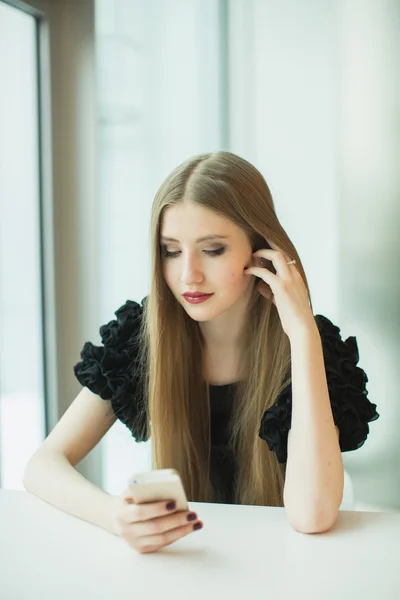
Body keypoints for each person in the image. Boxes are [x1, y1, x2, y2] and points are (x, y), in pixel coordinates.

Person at [24, 151, 379, 554]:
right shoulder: (144, 336)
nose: (188, 274)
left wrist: (302, 334)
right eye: (171, 251)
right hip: (187, 561)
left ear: (260, 251)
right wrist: (114, 516)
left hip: (286, 566)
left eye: (212, 250)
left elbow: (312, 516)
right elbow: (42, 466)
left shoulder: (312, 348)